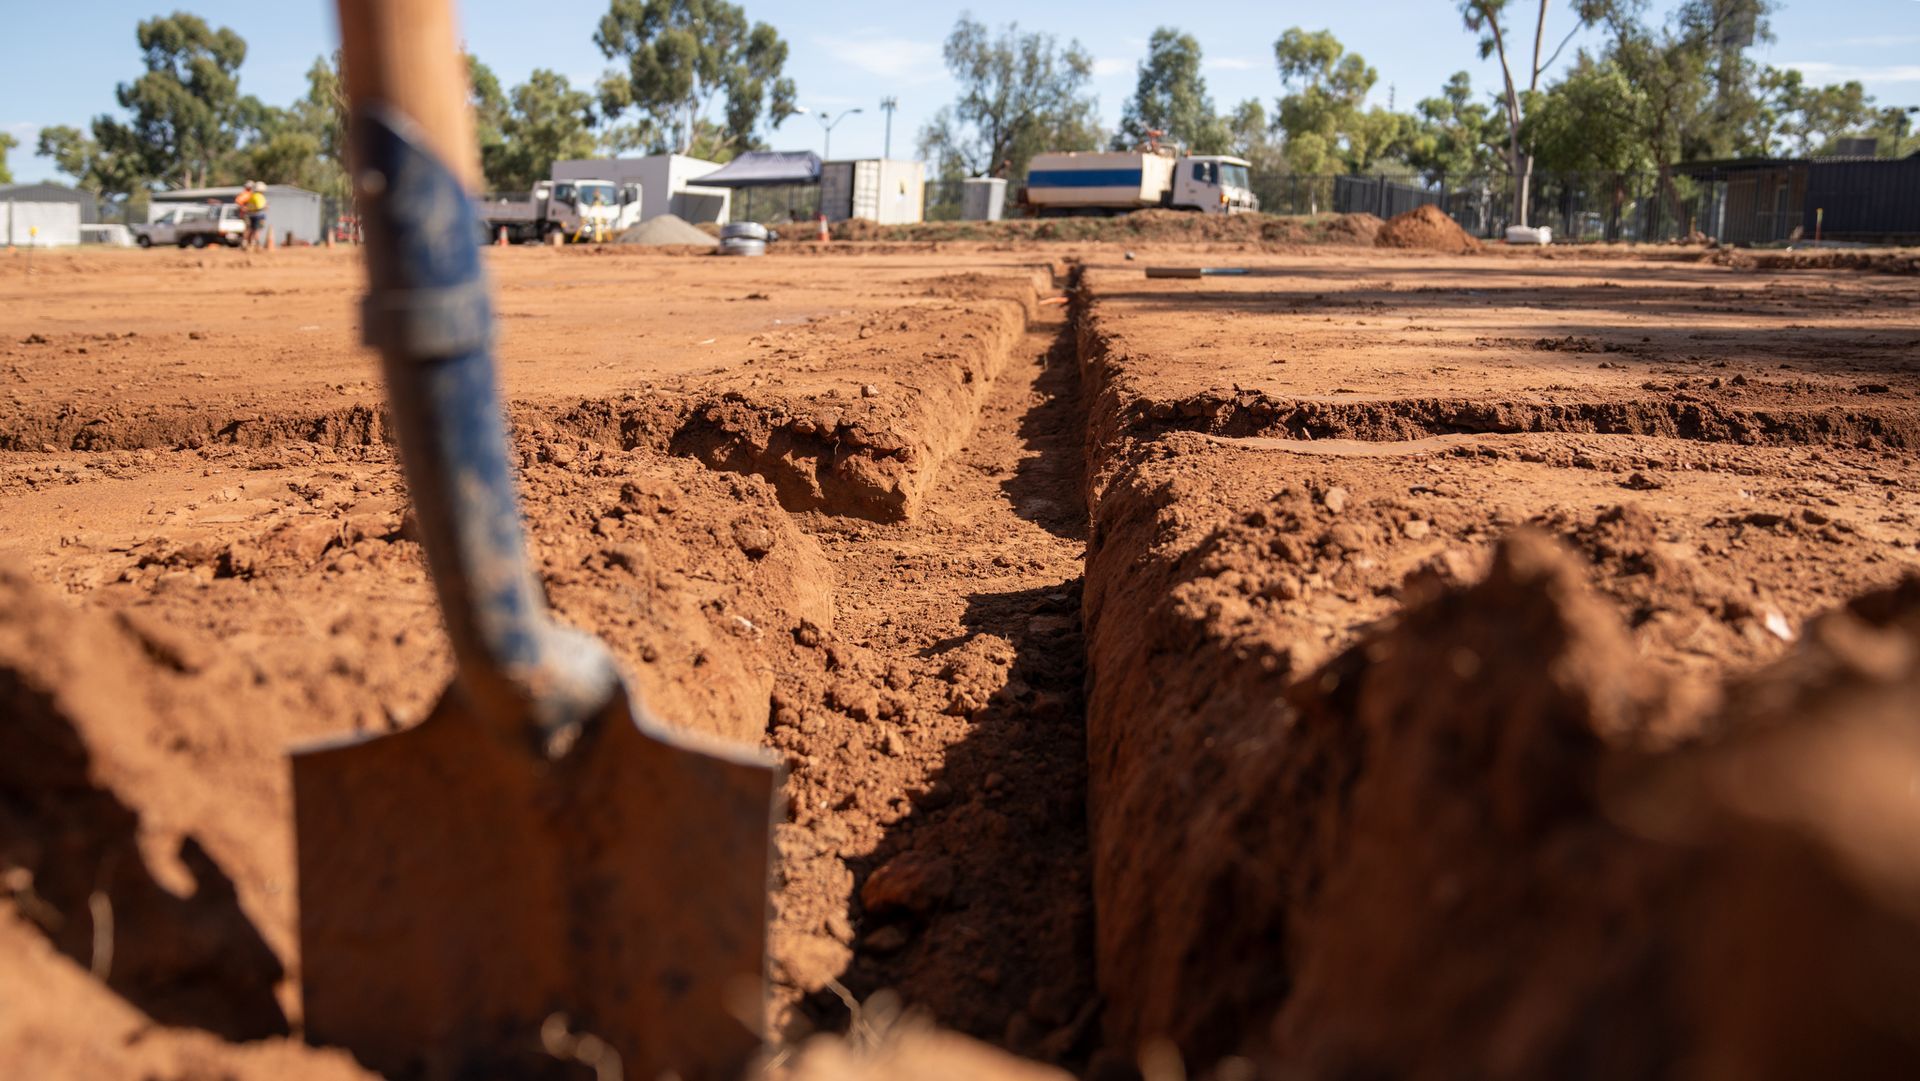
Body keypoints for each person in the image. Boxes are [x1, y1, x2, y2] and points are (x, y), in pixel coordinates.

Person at [236, 181, 270, 250]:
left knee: (249, 230)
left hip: (249, 214)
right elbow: (260, 206)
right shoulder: (253, 195)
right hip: (256, 214)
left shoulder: (251, 195)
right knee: (254, 230)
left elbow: (239, 202)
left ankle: (247, 243)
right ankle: (253, 244)